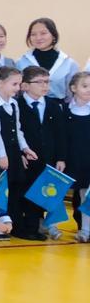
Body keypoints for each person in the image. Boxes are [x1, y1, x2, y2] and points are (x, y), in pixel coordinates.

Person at [0, 66, 35, 234]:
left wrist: (25, 148)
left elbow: (17, 130)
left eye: (19, 84)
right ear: (0, 83)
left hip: (13, 152)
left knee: (16, 186)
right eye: (14, 84)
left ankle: (13, 223)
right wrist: (1, 155)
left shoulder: (14, 103)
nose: (18, 88)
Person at [15, 66, 67, 240]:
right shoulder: (17, 105)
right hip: (27, 158)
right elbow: (14, 132)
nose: (45, 86)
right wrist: (20, 153)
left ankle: (40, 224)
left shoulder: (53, 106)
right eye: (39, 82)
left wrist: (61, 157)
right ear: (25, 85)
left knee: (44, 191)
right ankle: (27, 225)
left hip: (48, 157)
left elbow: (60, 134)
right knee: (26, 190)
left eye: (47, 82)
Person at [16, 17, 79, 100]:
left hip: (59, 106)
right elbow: (16, 91)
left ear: (53, 35)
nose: (38, 38)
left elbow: (72, 95)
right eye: (33, 34)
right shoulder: (21, 62)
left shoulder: (68, 63)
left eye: (43, 33)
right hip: (28, 106)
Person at [61, 71, 90, 242]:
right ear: (73, 88)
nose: (89, 90)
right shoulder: (65, 110)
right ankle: (82, 227)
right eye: (85, 86)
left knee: (86, 193)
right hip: (72, 159)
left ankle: (86, 229)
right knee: (78, 193)